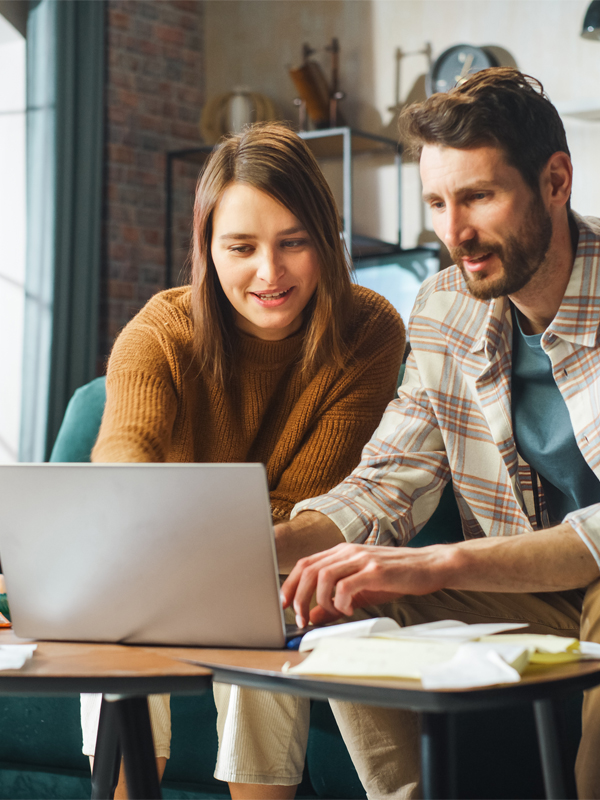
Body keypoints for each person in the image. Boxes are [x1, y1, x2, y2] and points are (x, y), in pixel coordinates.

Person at [277, 68, 600, 799]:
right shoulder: (445, 307)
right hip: (535, 594)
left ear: (555, 182)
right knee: (345, 600)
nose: (453, 233)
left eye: (478, 197)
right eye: (435, 202)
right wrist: (250, 553)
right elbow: (389, 479)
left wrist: (442, 563)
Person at [80, 122, 405, 799]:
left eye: (294, 243)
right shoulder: (162, 330)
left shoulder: (369, 330)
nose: (270, 272)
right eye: (241, 247)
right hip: (157, 568)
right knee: (117, 621)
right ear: (206, 249)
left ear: (326, 240)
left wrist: (200, 547)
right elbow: (122, 459)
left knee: (267, 615)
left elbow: (312, 505)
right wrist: (143, 532)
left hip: (276, 563)